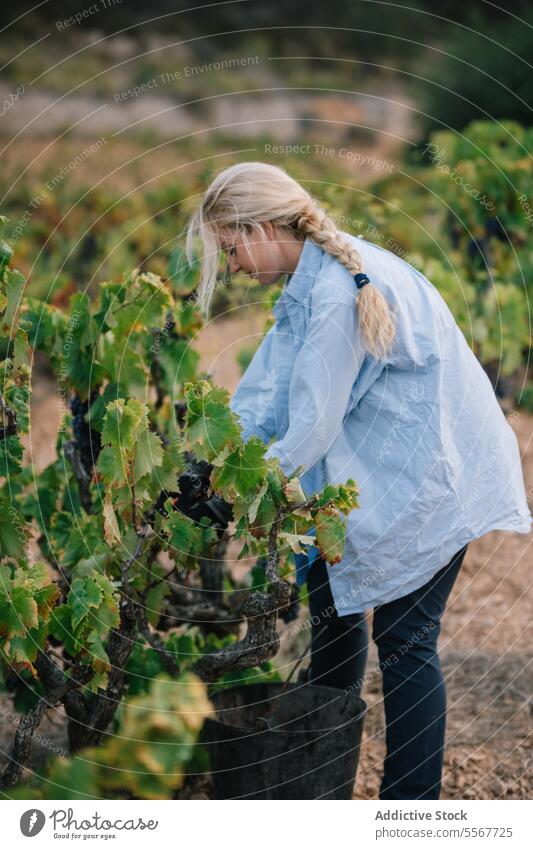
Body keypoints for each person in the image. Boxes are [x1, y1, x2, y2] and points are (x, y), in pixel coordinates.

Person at [186, 161, 531, 799]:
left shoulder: (338, 291)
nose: (231, 264)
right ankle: (323, 784)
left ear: (261, 229)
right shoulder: (308, 281)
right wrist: (211, 462)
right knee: (337, 620)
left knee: (404, 642)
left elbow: (311, 427)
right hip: (376, 479)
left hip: (431, 481)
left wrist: (232, 492)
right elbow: (269, 386)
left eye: (230, 248)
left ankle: (411, 811)